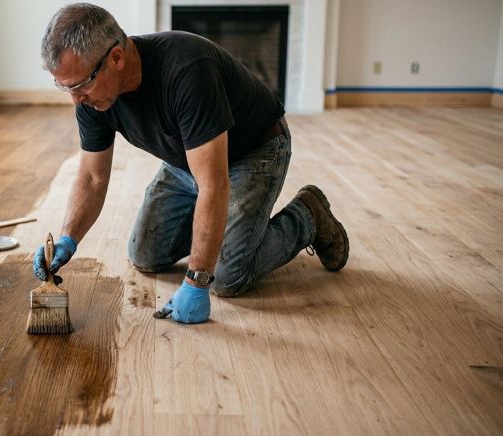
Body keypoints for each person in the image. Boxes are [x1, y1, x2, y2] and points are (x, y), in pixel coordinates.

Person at [32, 3, 349, 324]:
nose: (75, 99)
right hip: (186, 158)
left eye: (78, 85)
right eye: (64, 86)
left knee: (227, 277)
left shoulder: (186, 70)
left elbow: (214, 183)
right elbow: (91, 178)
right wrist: (67, 239)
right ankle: (222, 232)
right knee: (146, 254)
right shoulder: (92, 96)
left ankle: (307, 215)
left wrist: (196, 281)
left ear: (116, 58)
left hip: (254, 150)